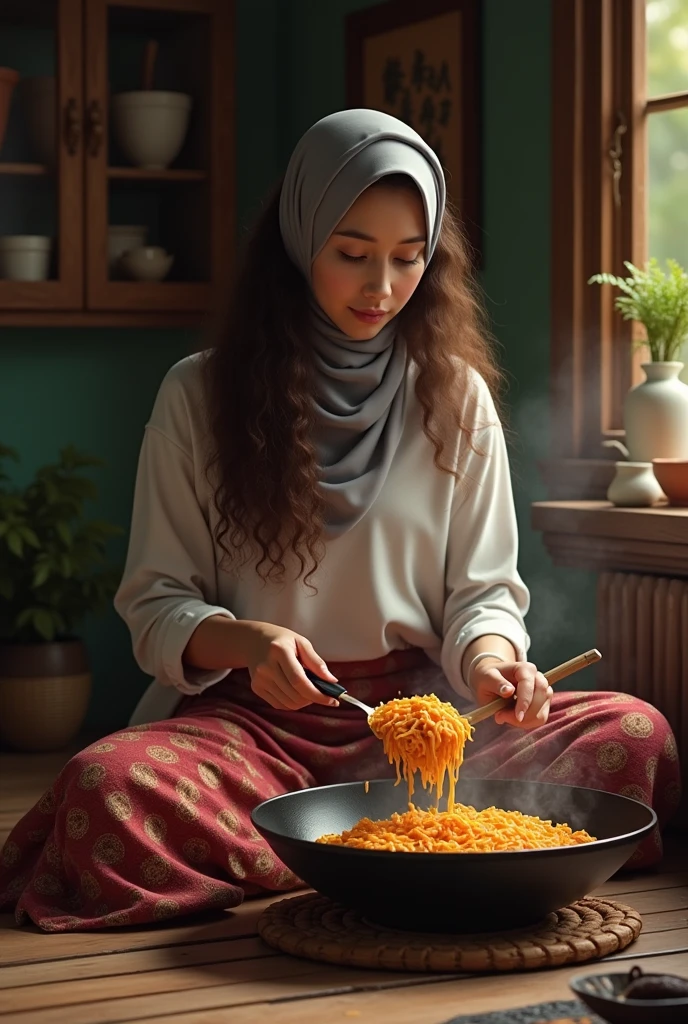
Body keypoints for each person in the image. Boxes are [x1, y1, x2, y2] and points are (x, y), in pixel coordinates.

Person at [0, 110, 680, 933]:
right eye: (353, 254)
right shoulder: (198, 394)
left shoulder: (456, 395)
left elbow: (485, 593)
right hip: (257, 731)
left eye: (407, 259)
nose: (382, 288)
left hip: (438, 727)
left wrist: (497, 665)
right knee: (107, 785)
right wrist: (248, 644)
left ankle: (326, 848)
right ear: (299, 242)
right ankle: (391, 845)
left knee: (634, 734)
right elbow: (155, 603)